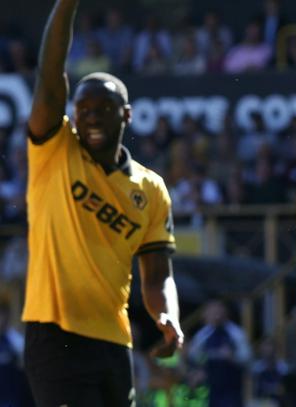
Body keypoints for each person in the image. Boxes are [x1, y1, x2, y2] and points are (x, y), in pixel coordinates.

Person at [21, 1, 183, 406]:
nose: (91, 118)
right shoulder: (54, 150)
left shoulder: (151, 189)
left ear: (126, 115)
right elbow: (49, 75)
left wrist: (167, 315)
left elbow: (157, 276)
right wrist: (66, 4)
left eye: (103, 109)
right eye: (83, 110)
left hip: (114, 342)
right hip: (55, 335)